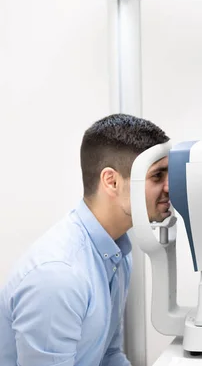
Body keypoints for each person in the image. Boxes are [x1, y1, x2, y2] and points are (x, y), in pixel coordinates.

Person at [0, 113, 171, 366]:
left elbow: (108, 356)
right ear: (111, 182)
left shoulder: (116, 251)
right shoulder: (59, 276)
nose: (169, 186)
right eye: (158, 176)